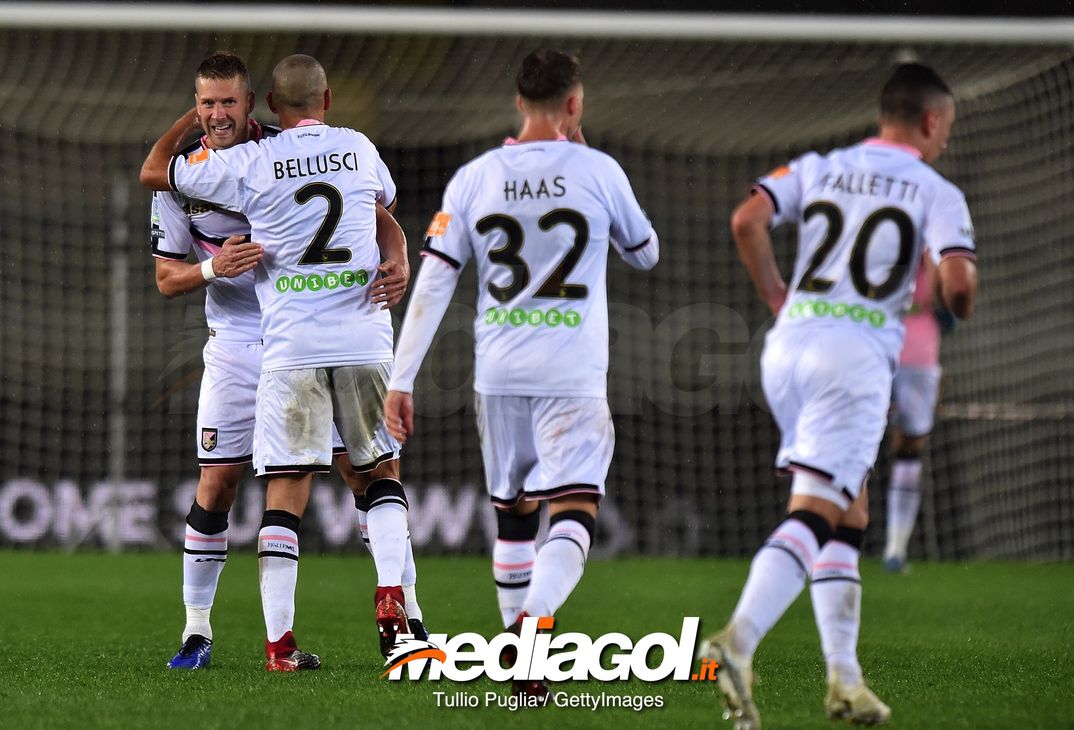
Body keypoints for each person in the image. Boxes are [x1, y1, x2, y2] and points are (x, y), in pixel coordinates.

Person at [701, 63, 977, 729]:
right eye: (946, 127)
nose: (944, 139)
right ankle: (735, 642)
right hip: (851, 359)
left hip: (787, 348)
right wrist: (956, 304)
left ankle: (845, 681)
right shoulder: (936, 189)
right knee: (818, 512)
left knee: (848, 511)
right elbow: (960, 284)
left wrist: (778, 295)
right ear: (931, 121)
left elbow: (747, 219)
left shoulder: (818, 165)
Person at [383, 48, 659, 697]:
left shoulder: (475, 177)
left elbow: (435, 283)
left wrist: (401, 378)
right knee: (574, 508)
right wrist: (587, 160)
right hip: (571, 372)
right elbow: (645, 254)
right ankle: (533, 625)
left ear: (517, 102)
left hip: (499, 373)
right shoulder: (599, 169)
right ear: (574, 103)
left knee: (513, 514)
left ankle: (524, 665)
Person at [142, 53, 421, 671]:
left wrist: (398, 255)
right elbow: (165, 278)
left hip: (293, 339)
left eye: (227, 102)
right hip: (240, 343)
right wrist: (214, 267)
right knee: (219, 483)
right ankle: (196, 631)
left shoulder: (259, 156)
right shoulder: (188, 182)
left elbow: (380, 218)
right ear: (195, 107)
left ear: (254, 104)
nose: (217, 115)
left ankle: (406, 619)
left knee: (358, 475)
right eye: (206, 104)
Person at [882, 252, 950, 573]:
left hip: (917, 356)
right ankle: (836, 539)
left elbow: (947, 297)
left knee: (909, 447)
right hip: (879, 350)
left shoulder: (934, 250)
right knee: (858, 444)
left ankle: (896, 548)